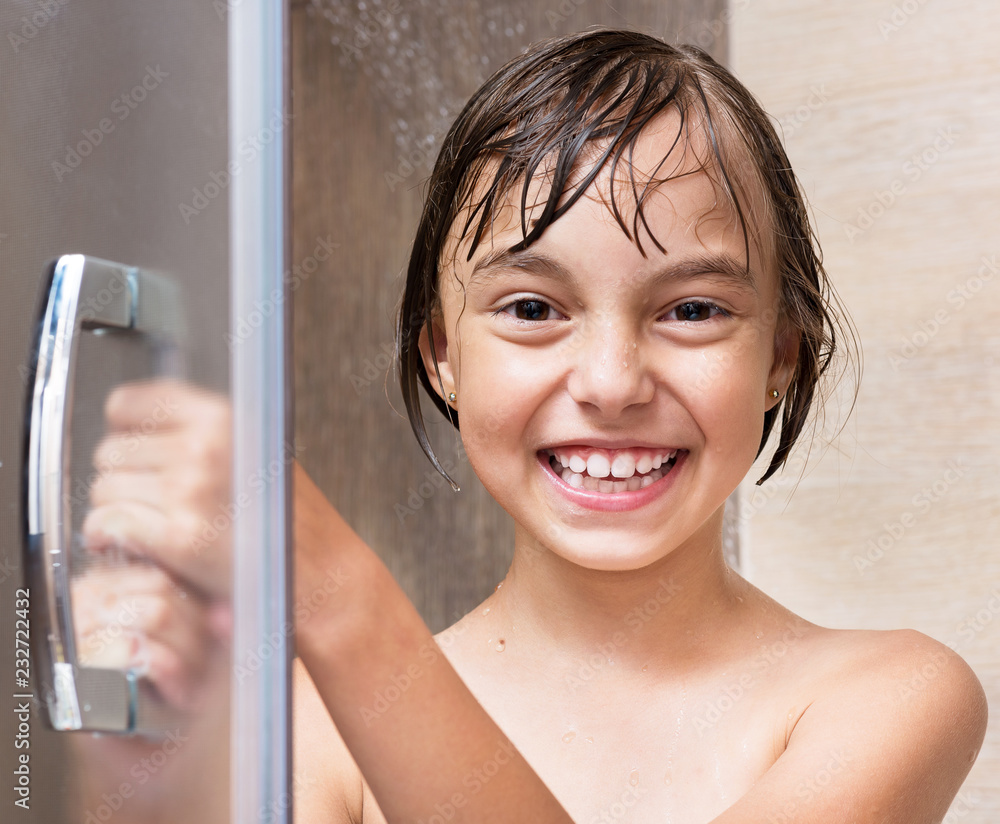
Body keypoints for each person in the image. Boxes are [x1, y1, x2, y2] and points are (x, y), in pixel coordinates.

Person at [82, 29, 986, 824]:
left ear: (781, 358)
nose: (611, 382)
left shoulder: (891, 699)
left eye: (695, 311)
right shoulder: (312, 726)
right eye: (530, 306)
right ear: (442, 353)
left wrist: (333, 591)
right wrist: (129, 771)